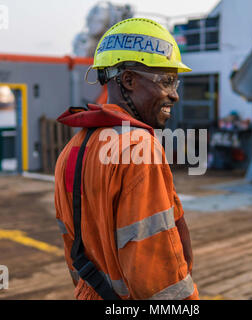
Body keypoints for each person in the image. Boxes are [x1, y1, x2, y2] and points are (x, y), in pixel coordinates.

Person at [54, 18, 199, 300]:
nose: (175, 94)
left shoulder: (73, 148)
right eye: (166, 81)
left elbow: (73, 249)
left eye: (175, 81)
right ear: (129, 81)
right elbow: (157, 275)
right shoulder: (139, 149)